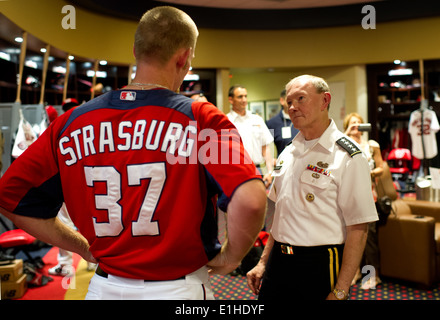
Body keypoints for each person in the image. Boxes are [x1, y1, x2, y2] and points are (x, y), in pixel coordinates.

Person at [0, 6, 266, 300]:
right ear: (185, 57)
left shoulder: (70, 122)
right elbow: (252, 201)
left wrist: (79, 246)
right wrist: (231, 258)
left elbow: (9, 196)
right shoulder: (201, 117)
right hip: (179, 288)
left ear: (136, 50)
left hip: (103, 287)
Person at [246, 75, 378, 300]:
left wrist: (341, 290)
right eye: (289, 102)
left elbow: (358, 227)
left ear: (325, 101)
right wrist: (262, 262)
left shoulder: (347, 155)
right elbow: (281, 215)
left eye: (301, 99)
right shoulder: (288, 152)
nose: (292, 107)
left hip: (319, 263)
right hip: (279, 260)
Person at [343, 112, 384, 289]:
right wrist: (347, 133)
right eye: (353, 124)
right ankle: (356, 272)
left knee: (369, 239)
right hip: (349, 196)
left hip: (369, 196)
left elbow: (381, 168)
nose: (357, 127)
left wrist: (369, 173)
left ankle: (371, 275)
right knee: (350, 238)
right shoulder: (344, 144)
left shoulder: (371, 146)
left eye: (359, 124)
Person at [227, 85, 274, 188]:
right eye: (240, 97)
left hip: (257, 170)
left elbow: (265, 148)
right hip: (236, 173)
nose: (244, 100)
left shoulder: (256, 119)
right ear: (231, 99)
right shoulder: (226, 121)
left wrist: (269, 171)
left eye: (245, 96)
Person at [266, 89, 299, 156]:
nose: (294, 103)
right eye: (290, 100)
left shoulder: (303, 119)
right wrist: (271, 160)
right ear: (282, 101)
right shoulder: (271, 123)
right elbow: (267, 145)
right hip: (283, 162)